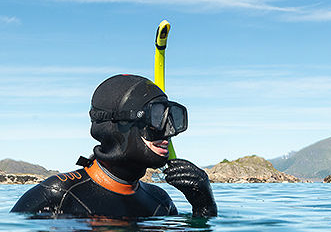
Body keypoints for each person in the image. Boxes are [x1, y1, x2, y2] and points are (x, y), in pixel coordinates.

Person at [11, 74, 217, 218]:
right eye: (156, 118)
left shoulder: (159, 200)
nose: (168, 131)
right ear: (115, 127)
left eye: (172, 118)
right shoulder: (58, 194)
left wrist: (204, 206)